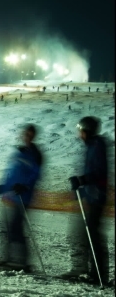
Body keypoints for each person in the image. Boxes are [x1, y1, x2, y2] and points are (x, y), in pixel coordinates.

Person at [61, 117, 109, 285]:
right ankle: (92, 272)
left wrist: (82, 180)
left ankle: (99, 276)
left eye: (81, 131)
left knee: (92, 235)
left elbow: (99, 173)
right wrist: (81, 191)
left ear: (87, 131)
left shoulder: (97, 146)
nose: (80, 135)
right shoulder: (92, 146)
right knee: (88, 235)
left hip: (96, 197)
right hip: (91, 195)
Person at [0, 124, 43, 272]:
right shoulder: (20, 152)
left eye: (30, 135)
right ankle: (6, 258)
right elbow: (11, 173)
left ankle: (22, 261)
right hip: (10, 196)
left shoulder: (36, 154)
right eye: (25, 134)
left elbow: (36, 175)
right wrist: (2, 186)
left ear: (33, 136)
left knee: (16, 227)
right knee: (6, 227)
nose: (27, 137)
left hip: (23, 197)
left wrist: (25, 186)